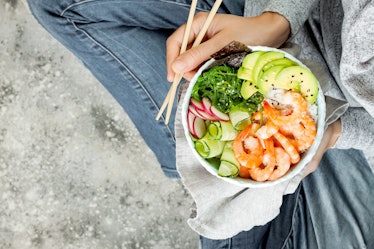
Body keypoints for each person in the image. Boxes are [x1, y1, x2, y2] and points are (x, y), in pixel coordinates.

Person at [26, 0, 373, 248]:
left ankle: (181, 157)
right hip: (300, 26)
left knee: (227, 214)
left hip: (356, 145)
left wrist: (338, 131)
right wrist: (277, 17)